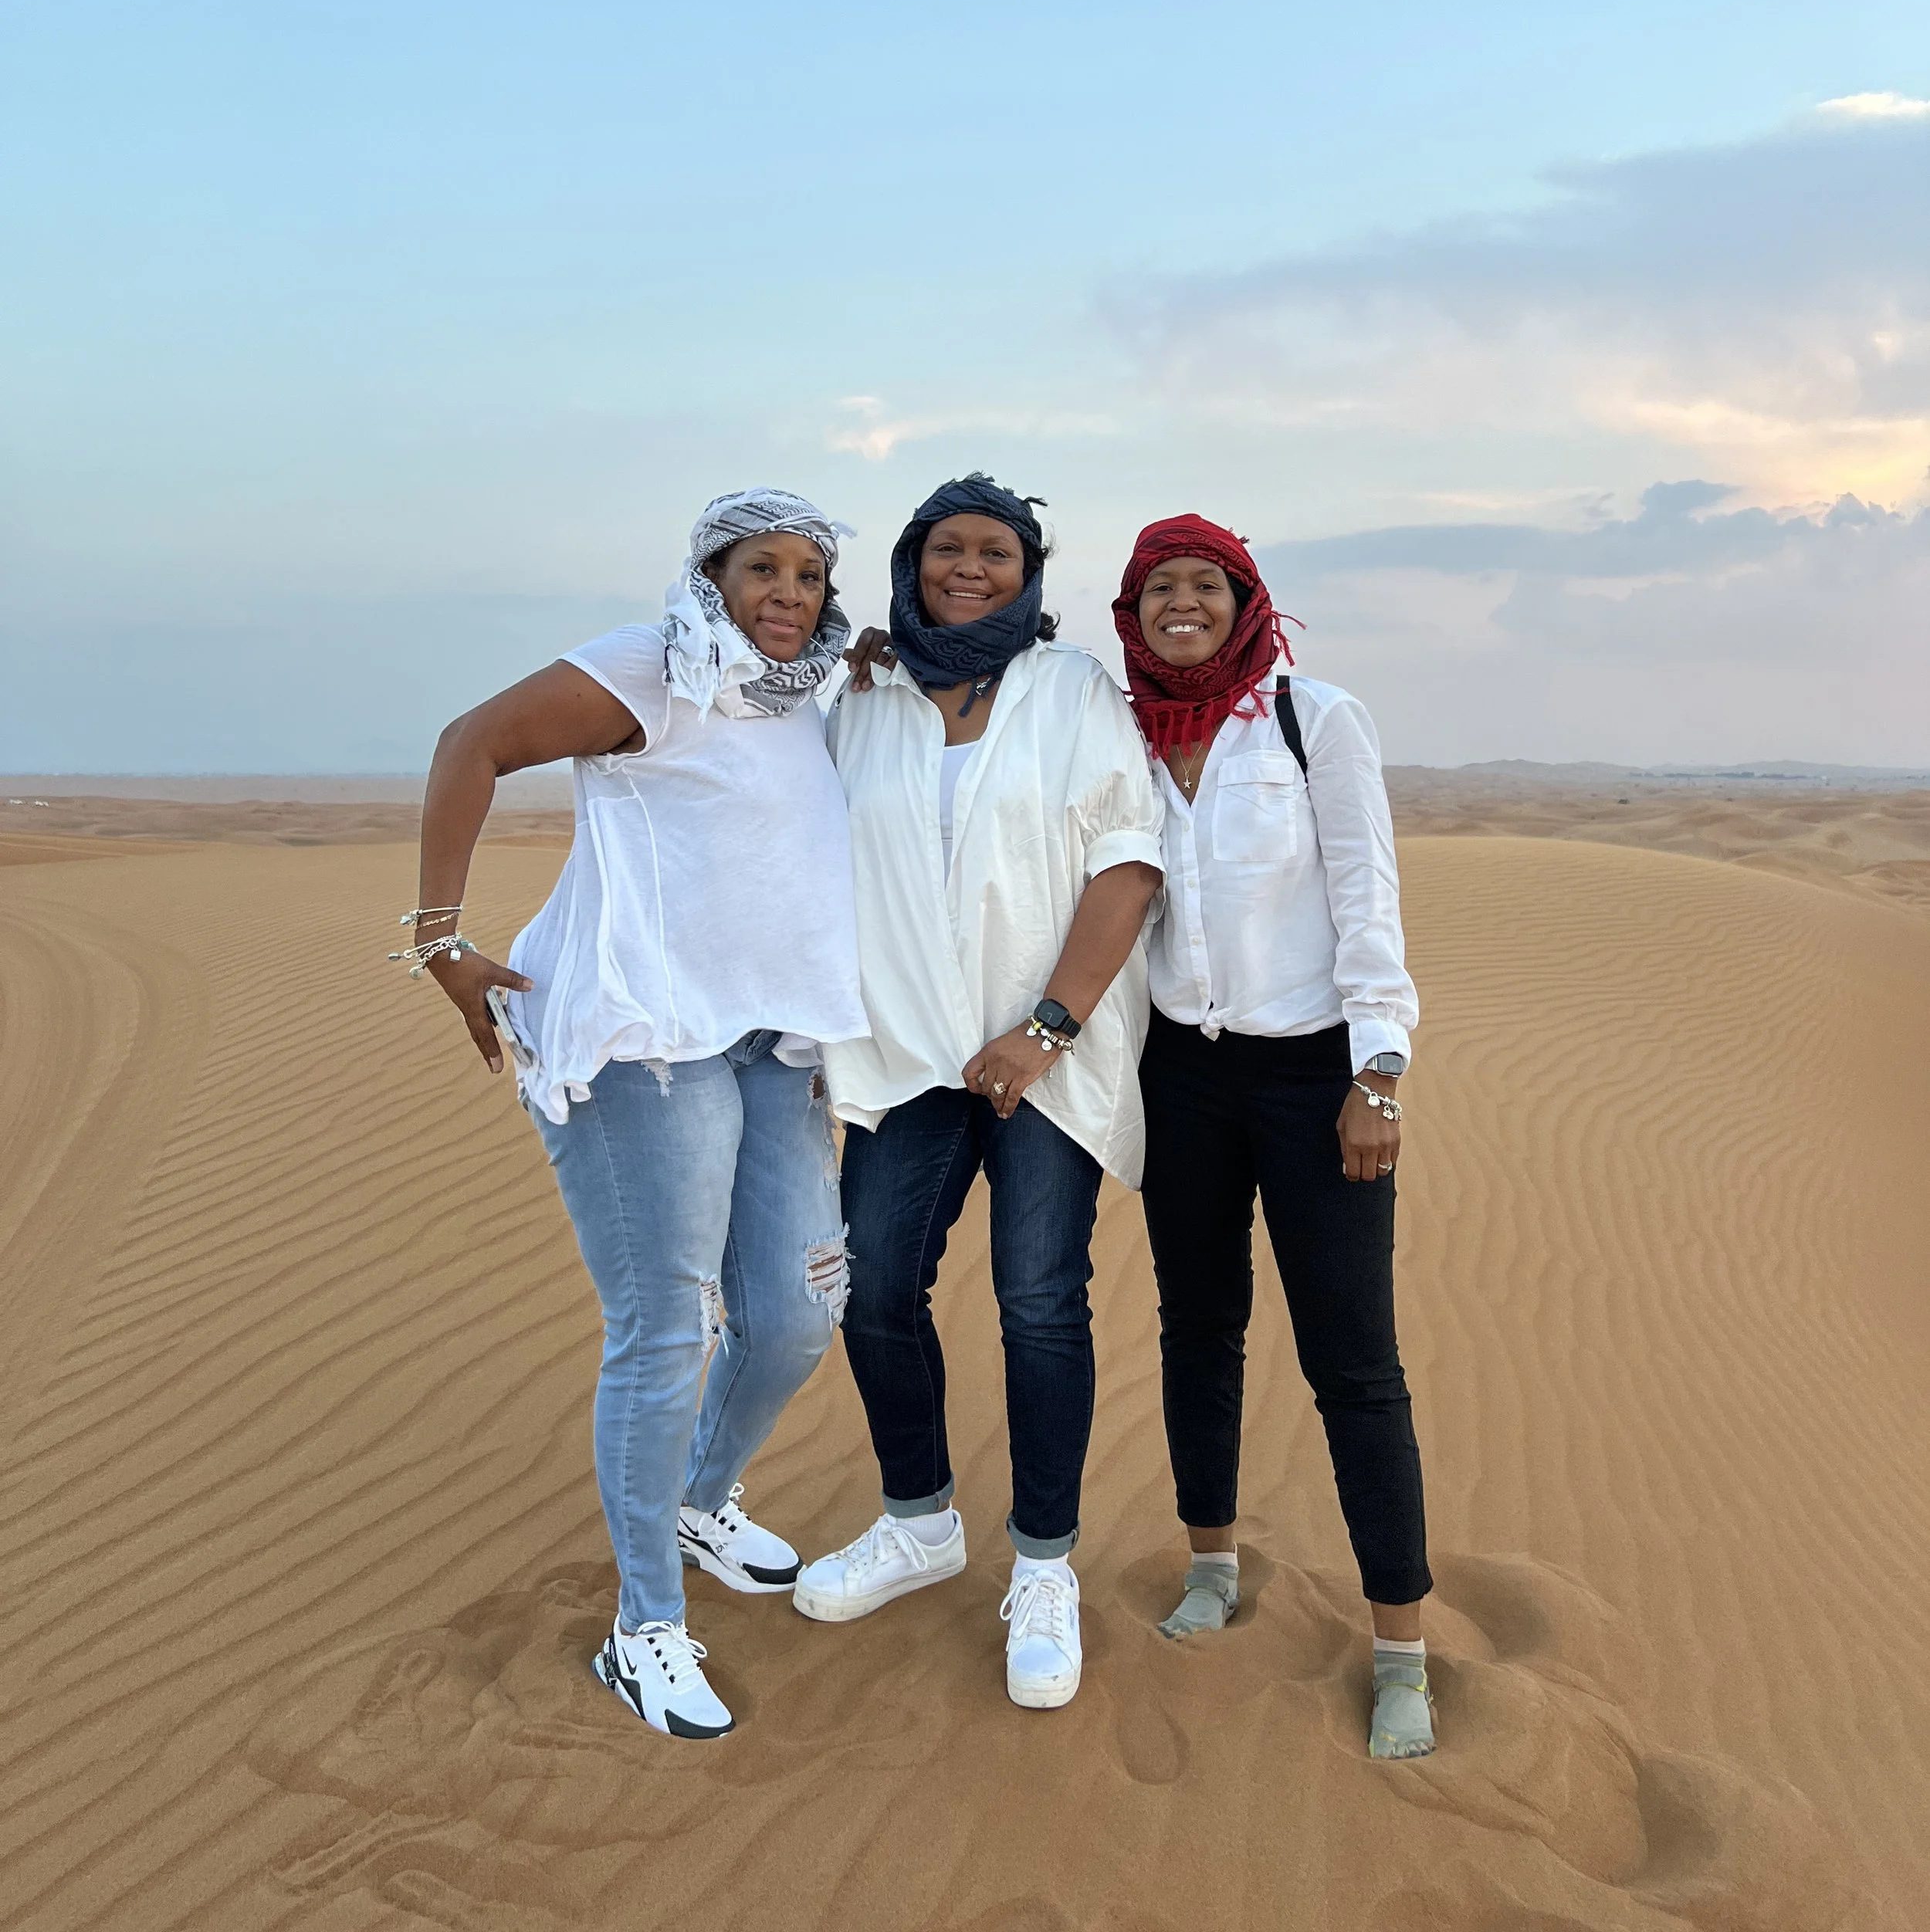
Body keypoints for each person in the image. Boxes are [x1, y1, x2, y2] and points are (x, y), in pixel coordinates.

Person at [403, 489, 867, 1741]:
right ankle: (644, 1628)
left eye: (809, 576)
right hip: (640, 1041)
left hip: (769, 1042)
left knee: (795, 1311)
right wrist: (438, 936)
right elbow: (471, 742)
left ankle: (698, 1497)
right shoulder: (655, 665)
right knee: (670, 1326)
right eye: (759, 569)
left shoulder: (806, 694)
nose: (787, 593)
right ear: (710, 577)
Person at [791, 475, 1164, 1712]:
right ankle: (918, 1521)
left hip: (1044, 1061)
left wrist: (1045, 1026)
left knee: (1039, 1303)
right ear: (910, 562)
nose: (970, 567)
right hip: (909, 1059)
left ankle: (1044, 1569)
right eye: (946, 548)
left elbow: (1129, 863)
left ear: (1029, 571)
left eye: (995, 552)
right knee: (876, 1288)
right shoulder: (868, 699)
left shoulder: (1070, 694)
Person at [1114, 514, 1435, 1760]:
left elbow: (1368, 898)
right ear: (1130, 610)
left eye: (1206, 585)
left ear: (1247, 600)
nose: (1181, 604)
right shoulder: (1121, 732)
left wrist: (1381, 1076)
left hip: (1315, 1078)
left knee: (1354, 1362)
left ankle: (1401, 1649)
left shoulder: (1314, 719)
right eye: (1158, 588)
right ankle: (1212, 1565)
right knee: (1198, 1326)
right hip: (1178, 1073)